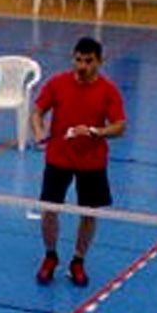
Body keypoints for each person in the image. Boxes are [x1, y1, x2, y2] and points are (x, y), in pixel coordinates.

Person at [33, 36, 126, 287]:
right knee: (49, 209)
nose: (82, 66)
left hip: (92, 162)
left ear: (99, 61)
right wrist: (39, 130)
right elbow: (38, 109)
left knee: (88, 213)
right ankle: (50, 256)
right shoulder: (58, 83)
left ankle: (78, 260)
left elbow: (119, 126)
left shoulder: (108, 90)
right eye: (78, 59)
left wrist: (96, 131)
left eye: (88, 61)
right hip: (58, 157)